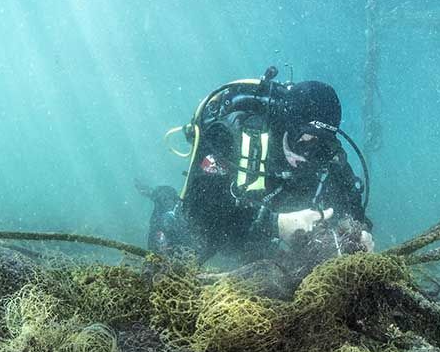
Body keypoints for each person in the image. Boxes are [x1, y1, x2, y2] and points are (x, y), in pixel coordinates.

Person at [142, 66, 373, 263]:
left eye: (319, 145)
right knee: (187, 249)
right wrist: (276, 224)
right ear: (286, 125)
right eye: (301, 141)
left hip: (261, 234)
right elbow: (199, 209)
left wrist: (358, 233)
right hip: (222, 221)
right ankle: (164, 200)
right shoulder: (234, 134)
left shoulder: (326, 155)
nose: (307, 155)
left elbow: (352, 205)